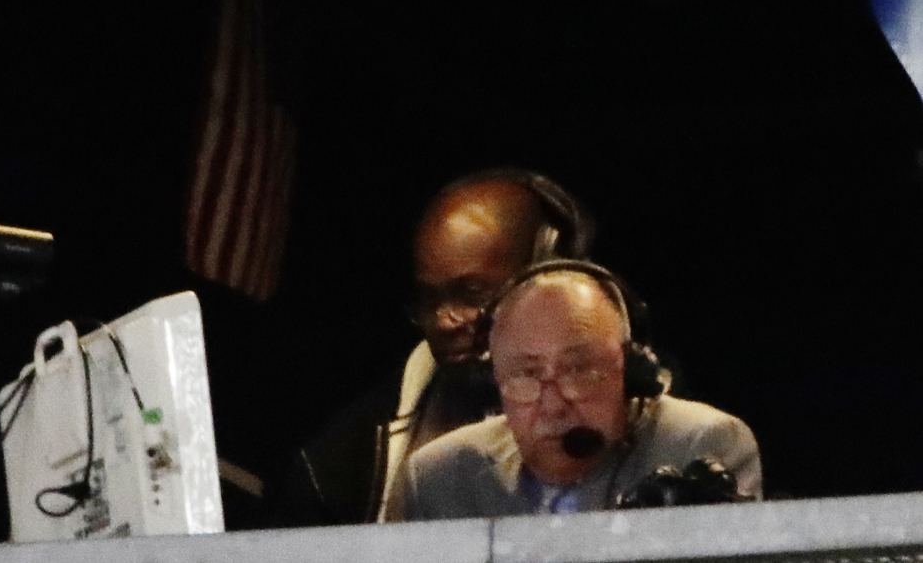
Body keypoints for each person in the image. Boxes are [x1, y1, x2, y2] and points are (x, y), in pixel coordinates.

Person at [275, 169, 594, 525]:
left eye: (472, 294)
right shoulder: (345, 460)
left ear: (552, 274)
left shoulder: (649, 416)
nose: (444, 321)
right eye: (430, 300)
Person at [403, 260, 761, 519]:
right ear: (494, 381)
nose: (554, 404)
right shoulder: (440, 479)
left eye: (577, 369)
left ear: (632, 369)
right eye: (526, 374)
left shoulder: (699, 445)